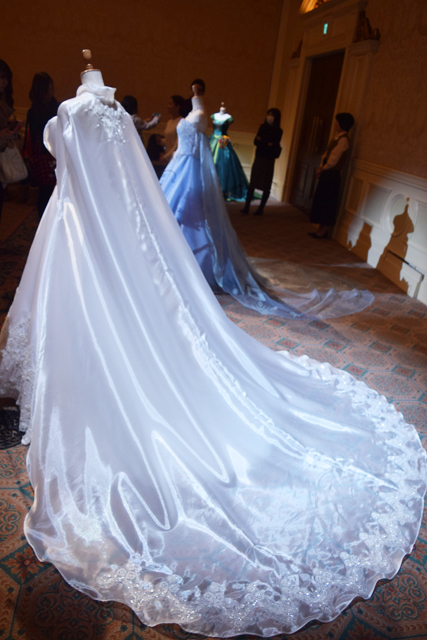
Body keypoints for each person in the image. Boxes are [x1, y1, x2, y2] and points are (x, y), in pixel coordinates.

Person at [1, 59, 425, 638]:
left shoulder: (73, 112)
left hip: (78, 229)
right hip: (99, 226)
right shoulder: (110, 112)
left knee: (91, 318)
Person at [161, 82, 373, 319]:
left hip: (193, 166)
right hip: (179, 166)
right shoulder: (195, 114)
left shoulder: (200, 114)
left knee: (194, 214)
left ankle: (199, 262)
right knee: (176, 211)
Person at [309, 112, 354, 239]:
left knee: (327, 202)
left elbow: (333, 159)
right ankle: (320, 228)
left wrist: (322, 168)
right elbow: (326, 154)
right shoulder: (337, 138)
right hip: (327, 173)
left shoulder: (344, 140)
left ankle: (324, 230)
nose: (335, 124)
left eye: (337, 122)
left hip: (332, 175)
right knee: (322, 200)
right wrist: (321, 167)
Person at [24, 72, 59, 218]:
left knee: (54, 192)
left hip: (54, 152)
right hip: (43, 156)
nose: (49, 93)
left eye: (51, 89)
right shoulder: (34, 112)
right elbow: (36, 138)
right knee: (45, 193)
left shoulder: (56, 107)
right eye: (46, 90)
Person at [241, 108, 282, 216]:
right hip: (259, 157)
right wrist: (266, 143)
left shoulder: (278, 131)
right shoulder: (262, 127)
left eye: (272, 115)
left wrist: (263, 142)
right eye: (268, 114)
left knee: (266, 184)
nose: (269, 117)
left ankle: (261, 208)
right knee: (253, 183)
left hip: (268, 160)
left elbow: (272, 144)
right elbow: (256, 141)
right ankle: (246, 207)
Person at [210, 102, 248, 201]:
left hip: (223, 141)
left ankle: (223, 189)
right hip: (213, 140)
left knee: (224, 165)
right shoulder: (214, 115)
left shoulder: (229, 118)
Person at [0, 60, 23, 221]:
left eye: (6, 78)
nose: (4, 82)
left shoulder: (4, 100)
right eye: (1, 78)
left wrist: (13, 128)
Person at [162, 94, 184, 164]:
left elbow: (177, 144)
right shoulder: (169, 122)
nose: (168, 106)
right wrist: (161, 141)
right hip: (168, 156)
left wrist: (166, 157)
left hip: (175, 158)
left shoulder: (181, 122)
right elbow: (170, 139)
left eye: (170, 104)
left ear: (177, 107)